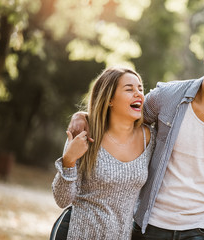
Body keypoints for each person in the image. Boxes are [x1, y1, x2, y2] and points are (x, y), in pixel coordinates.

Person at [70, 24, 204, 240]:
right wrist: (84, 116)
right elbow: (125, 114)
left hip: (202, 227)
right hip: (151, 224)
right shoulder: (168, 97)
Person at [52, 67, 155, 240]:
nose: (138, 94)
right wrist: (69, 160)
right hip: (77, 233)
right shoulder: (84, 133)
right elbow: (62, 199)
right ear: (109, 99)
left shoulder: (150, 138)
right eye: (129, 89)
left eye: (140, 89)